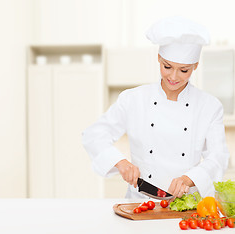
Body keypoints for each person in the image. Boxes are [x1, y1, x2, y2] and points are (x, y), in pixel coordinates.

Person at [82, 16, 229, 199]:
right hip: (140, 202)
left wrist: (189, 179)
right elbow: (94, 135)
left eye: (184, 70)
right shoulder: (133, 99)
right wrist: (120, 162)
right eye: (167, 66)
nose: (174, 77)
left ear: (195, 66)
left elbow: (219, 157)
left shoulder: (209, 106)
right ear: (159, 58)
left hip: (184, 205)